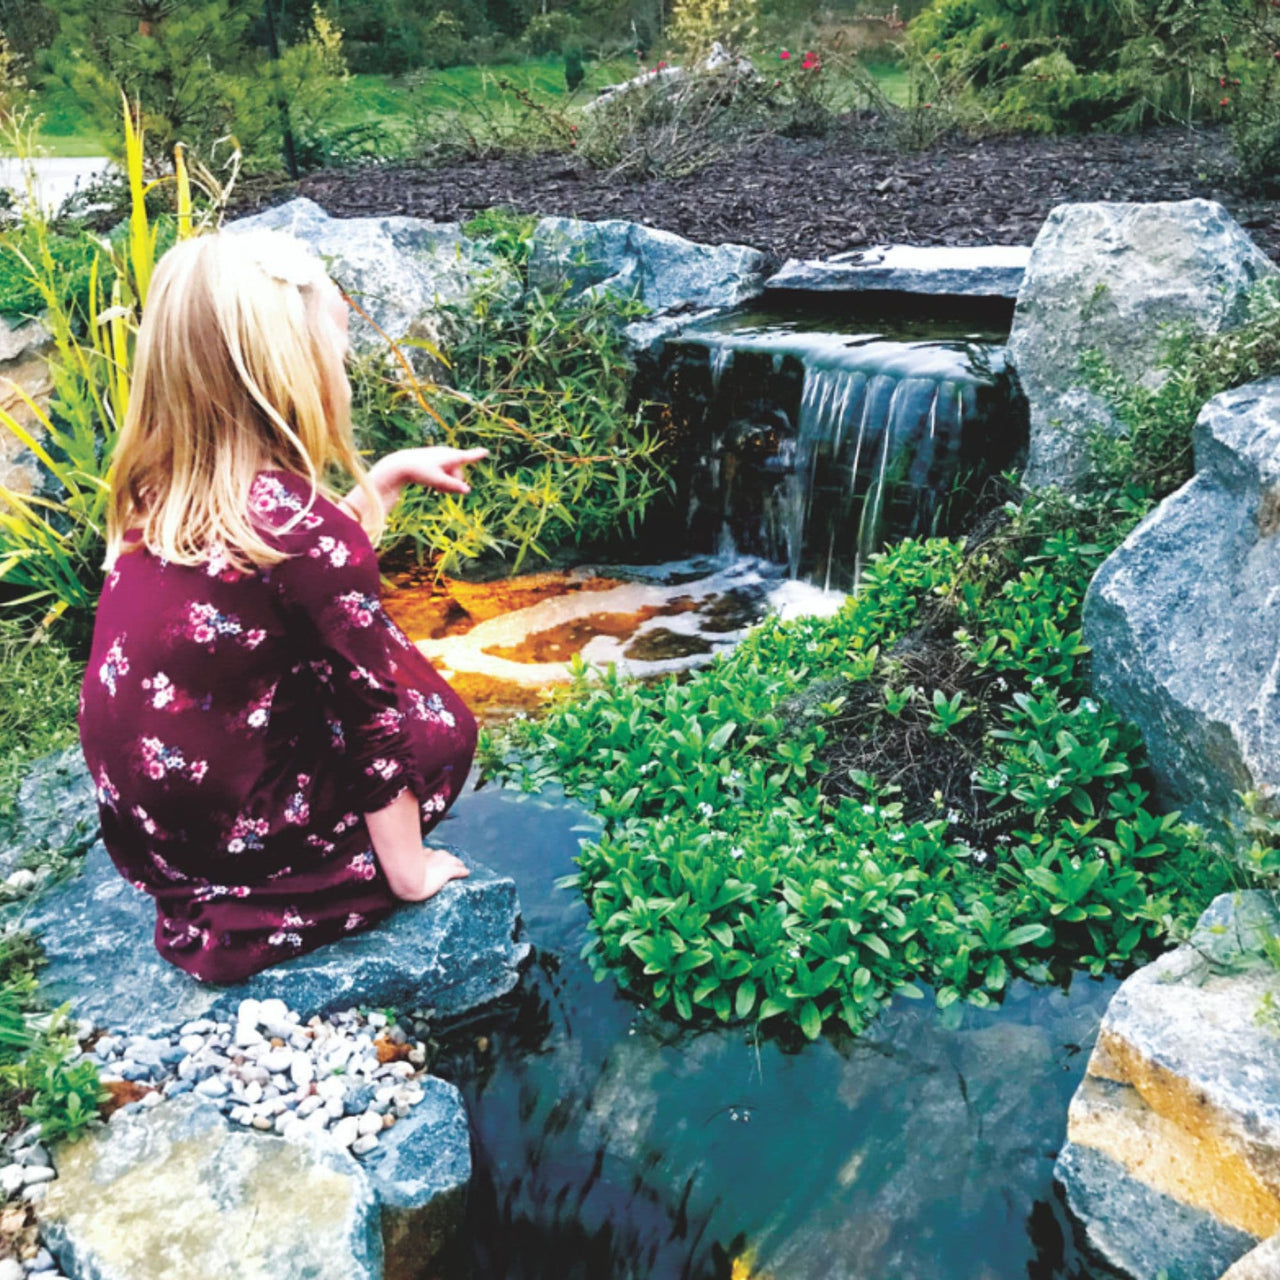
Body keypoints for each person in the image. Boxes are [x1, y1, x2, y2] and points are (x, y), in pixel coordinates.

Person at [77, 227, 489, 984]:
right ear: (289, 373)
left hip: (159, 836)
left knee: (330, 640)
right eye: (335, 354)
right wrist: (409, 872)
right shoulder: (308, 535)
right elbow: (370, 719)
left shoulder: (159, 491)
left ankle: (235, 886)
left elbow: (288, 580)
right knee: (439, 726)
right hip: (247, 838)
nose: (347, 375)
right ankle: (286, 895)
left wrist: (384, 480)